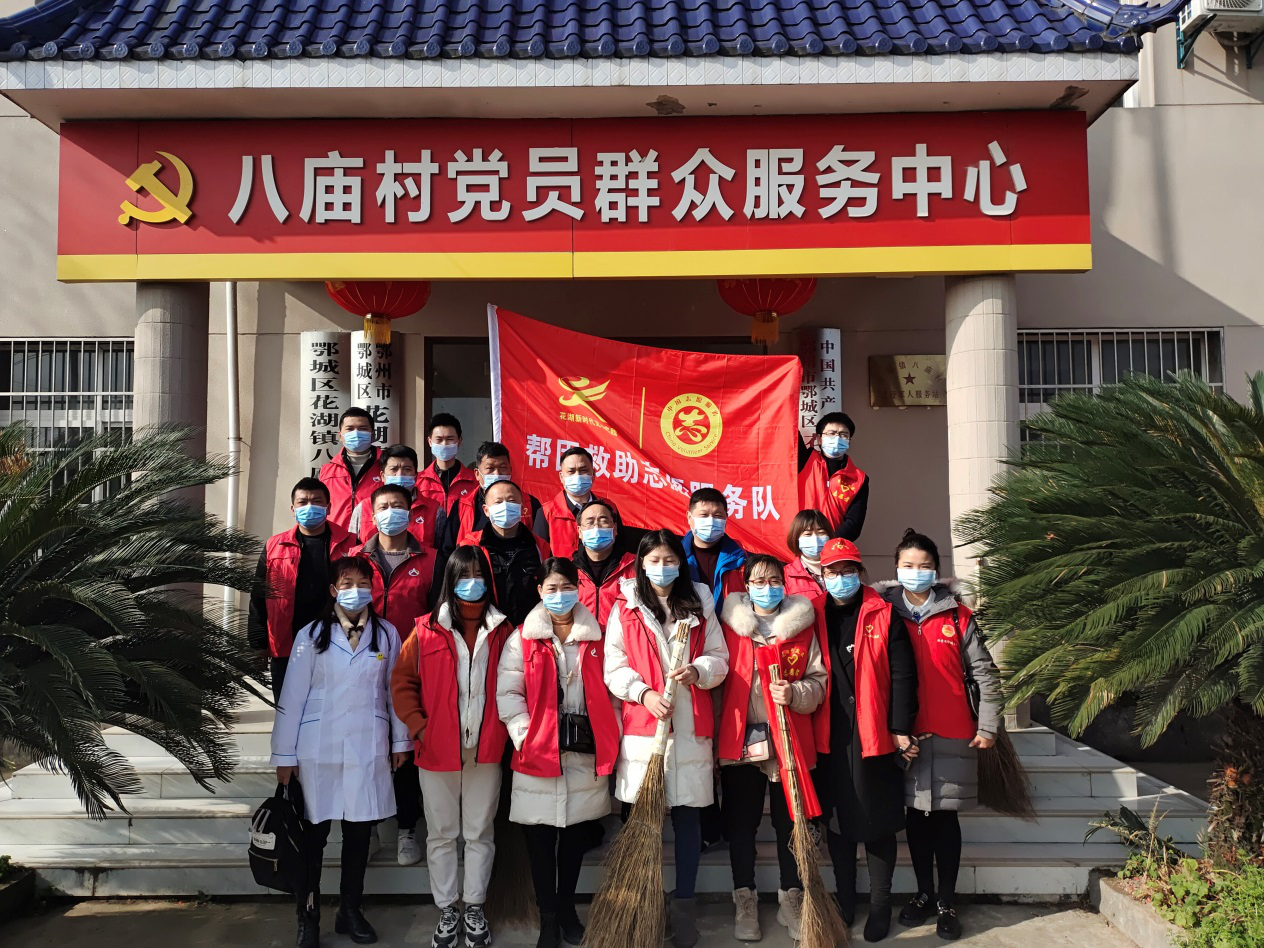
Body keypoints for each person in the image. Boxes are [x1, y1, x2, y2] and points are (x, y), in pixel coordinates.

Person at [270, 556, 412, 948]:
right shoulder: (311, 634)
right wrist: (284, 756)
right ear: (333, 590)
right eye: (347, 583)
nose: (355, 590)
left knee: (358, 835)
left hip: (367, 744)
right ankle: (308, 915)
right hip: (318, 748)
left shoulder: (386, 634)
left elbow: (395, 691)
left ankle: (350, 910)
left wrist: (400, 741)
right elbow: (292, 698)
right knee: (313, 838)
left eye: (363, 582)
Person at [604, 530, 728, 948]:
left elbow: (720, 657)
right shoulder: (625, 605)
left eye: (670, 559)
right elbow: (613, 666)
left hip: (689, 726)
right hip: (645, 730)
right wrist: (644, 693)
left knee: (689, 820)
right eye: (654, 560)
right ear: (641, 563)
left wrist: (698, 671)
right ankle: (642, 906)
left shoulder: (699, 601)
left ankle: (684, 908)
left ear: (681, 563)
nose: (662, 567)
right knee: (643, 822)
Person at [390, 547, 514, 948]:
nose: (472, 582)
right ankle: (447, 908)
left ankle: (474, 905)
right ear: (450, 579)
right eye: (464, 575)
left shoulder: (504, 631)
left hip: (485, 750)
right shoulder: (425, 629)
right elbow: (402, 682)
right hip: (436, 750)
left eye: (479, 575)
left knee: (479, 832)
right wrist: (420, 728)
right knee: (442, 833)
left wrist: (503, 733)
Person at [884, 529, 1001, 942]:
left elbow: (985, 673)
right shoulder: (882, 612)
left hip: (954, 733)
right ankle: (923, 894)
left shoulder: (958, 615)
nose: (916, 572)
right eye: (908, 565)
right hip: (905, 736)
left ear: (937, 570)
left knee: (945, 817)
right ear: (896, 569)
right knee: (916, 818)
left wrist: (988, 725)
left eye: (925, 566)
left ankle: (947, 902)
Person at [496, 558, 619, 948]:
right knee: (540, 842)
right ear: (539, 592)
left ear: (578, 590)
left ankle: (567, 909)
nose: (560, 594)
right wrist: (525, 736)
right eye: (551, 588)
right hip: (537, 753)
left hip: (584, 753)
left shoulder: (597, 637)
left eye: (566, 587)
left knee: (574, 840)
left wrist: (608, 733)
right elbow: (508, 693)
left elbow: (614, 692)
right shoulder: (523, 638)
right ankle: (547, 916)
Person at [716, 555, 827, 944]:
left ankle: (790, 897)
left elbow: (819, 680)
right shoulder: (730, 626)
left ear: (785, 583)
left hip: (788, 741)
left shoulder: (801, 626)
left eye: (775, 580)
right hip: (741, 741)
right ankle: (744, 898)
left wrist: (795, 693)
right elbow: (717, 681)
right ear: (746, 585)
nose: (767, 588)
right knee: (741, 823)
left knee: (789, 823)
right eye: (759, 581)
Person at [815, 538, 917, 943]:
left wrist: (900, 727)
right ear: (822, 575)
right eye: (832, 571)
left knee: (877, 821)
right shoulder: (813, 614)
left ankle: (879, 904)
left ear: (860, 572)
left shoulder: (883, 613)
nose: (840, 578)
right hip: (830, 733)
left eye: (847, 570)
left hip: (875, 732)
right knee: (839, 822)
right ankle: (845, 899)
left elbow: (903, 675)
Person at [355, 482, 438, 868]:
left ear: (410, 511)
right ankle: (369, 826)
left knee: (406, 746)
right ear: (372, 515)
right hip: (363, 664)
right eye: (384, 506)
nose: (391, 512)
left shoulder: (431, 559)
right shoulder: (356, 559)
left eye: (398, 505)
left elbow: (438, 612)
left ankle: (407, 828)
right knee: (368, 745)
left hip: (414, 665)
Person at [249, 478, 358, 699]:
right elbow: (259, 595)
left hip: (337, 644)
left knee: (333, 709)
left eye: (317, 501)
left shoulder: (351, 544)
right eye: (303, 502)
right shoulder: (275, 546)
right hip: (287, 646)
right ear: (293, 509)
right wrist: (258, 643)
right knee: (288, 711)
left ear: (328, 507)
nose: (310, 507)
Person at [460, 479, 551, 627]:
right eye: (498, 502)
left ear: (522, 508)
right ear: (486, 510)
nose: (505, 506)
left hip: (529, 630)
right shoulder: (470, 546)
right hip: (485, 629)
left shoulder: (541, 547)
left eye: (511, 501)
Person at [440, 441, 543, 565]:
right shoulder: (462, 505)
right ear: (477, 474)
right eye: (490, 469)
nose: (497, 474)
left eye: (503, 468)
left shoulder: (529, 503)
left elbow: (541, 547)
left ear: (510, 470)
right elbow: (447, 551)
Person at [533, 446, 617, 559]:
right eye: (571, 471)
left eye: (584, 470)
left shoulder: (609, 507)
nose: (577, 476)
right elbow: (539, 555)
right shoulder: (546, 513)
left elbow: (620, 547)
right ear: (561, 477)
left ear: (593, 474)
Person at [351, 443, 441, 548]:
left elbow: (442, 552)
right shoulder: (363, 508)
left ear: (416, 476)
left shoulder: (434, 510)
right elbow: (353, 547)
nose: (400, 475)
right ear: (382, 476)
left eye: (407, 469)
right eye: (393, 469)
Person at [798, 412, 869, 541]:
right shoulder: (805, 460)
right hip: (800, 542)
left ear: (849, 441)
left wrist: (829, 543)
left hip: (835, 547)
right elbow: (787, 428)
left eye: (843, 435)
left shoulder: (859, 479)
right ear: (819, 439)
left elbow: (854, 524)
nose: (837, 439)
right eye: (831, 433)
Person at [572, 499, 637, 627]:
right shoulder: (568, 570)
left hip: (622, 638)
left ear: (615, 528)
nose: (596, 527)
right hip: (581, 638)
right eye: (589, 522)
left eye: (603, 521)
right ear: (580, 532)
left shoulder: (635, 566)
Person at [681, 486, 747, 609]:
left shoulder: (742, 560)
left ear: (726, 518)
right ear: (689, 517)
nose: (711, 521)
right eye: (704, 515)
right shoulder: (676, 557)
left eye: (718, 515)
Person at [319, 407, 384, 530]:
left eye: (363, 429)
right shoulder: (324, 472)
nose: (356, 433)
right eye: (350, 429)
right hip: (337, 539)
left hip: (374, 539)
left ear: (373, 435)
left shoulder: (387, 467)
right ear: (340, 436)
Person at [416, 412, 479, 536]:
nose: (444, 444)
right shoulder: (418, 481)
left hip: (462, 544)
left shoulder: (474, 480)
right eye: (439, 440)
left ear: (459, 441)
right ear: (430, 442)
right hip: (429, 544)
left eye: (450, 439)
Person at [783, 509, 833, 602]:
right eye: (808, 534)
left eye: (821, 533)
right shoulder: (785, 575)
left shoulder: (844, 569)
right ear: (796, 539)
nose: (815, 539)